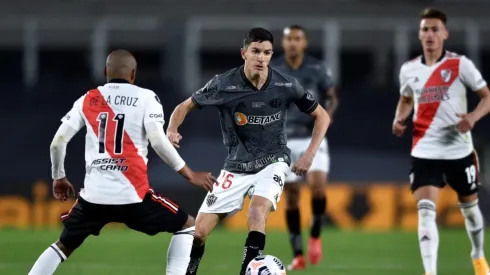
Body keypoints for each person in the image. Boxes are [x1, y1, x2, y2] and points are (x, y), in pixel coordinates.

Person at [28, 49, 216, 275]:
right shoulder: (146, 98)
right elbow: (157, 139)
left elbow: (57, 142)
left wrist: (58, 176)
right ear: (133, 74)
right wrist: (189, 174)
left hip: (94, 198)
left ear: (106, 71)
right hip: (133, 196)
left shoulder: (87, 99)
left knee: (63, 246)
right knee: (188, 226)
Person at [167, 28, 330, 275]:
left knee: (256, 212)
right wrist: (172, 128)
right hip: (235, 167)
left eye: (266, 53)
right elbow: (184, 107)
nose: (261, 58)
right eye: (255, 51)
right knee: (198, 234)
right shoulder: (223, 84)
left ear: (271, 54)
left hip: (273, 161)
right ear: (244, 53)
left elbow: (322, 116)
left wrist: (309, 154)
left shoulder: (285, 83)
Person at [393, 8, 490, 275]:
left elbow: (487, 97)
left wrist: (473, 117)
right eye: (425, 29)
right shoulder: (409, 69)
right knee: (425, 212)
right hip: (425, 150)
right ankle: (430, 272)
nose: (430, 35)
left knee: (470, 210)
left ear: (445, 34)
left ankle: (478, 255)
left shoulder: (460, 65)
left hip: (459, 150)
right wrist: (398, 118)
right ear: (419, 34)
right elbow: (405, 99)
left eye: (435, 29)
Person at [270, 24, 338, 270]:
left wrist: (326, 117)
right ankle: (297, 254)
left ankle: (316, 236)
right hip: (284, 139)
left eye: (297, 39)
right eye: (289, 39)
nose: (293, 43)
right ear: (283, 43)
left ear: (305, 43)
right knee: (292, 197)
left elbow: (331, 96)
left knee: (318, 188)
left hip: (313, 138)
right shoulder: (273, 68)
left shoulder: (318, 68)